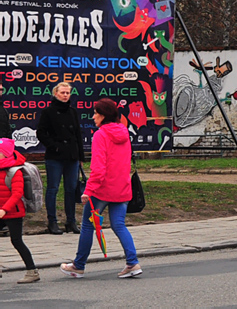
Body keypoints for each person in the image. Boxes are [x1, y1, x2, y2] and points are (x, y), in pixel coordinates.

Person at [60, 99, 141, 279]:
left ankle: (78, 265)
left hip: (102, 189)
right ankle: (133, 262)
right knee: (119, 225)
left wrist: (88, 190)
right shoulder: (124, 132)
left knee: (88, 226)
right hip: (122, 186)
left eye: (96, 113)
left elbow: (98, 167)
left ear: (103, 116)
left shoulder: (101, 135)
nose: (93, 116)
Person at [36, 82, 84, 235]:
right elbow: (41, 133)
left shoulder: (72, 112)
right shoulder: (48, 112)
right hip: (55, 157)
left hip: (72, 156)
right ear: (55, 93)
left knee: (71, 189)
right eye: (62, 92)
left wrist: (80, 156)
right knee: (53, 189)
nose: (65, 95)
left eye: (67, 93)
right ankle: (52, 222)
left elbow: (78, 135)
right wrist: (54, 146)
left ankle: (71, 221)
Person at [0, 138, 39, 283]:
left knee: (16, 240)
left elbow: (17, 194)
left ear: (5, 154)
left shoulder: (15, 171)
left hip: (13, 212)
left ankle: (32, 271)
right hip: (2, 210)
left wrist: (4, 210)